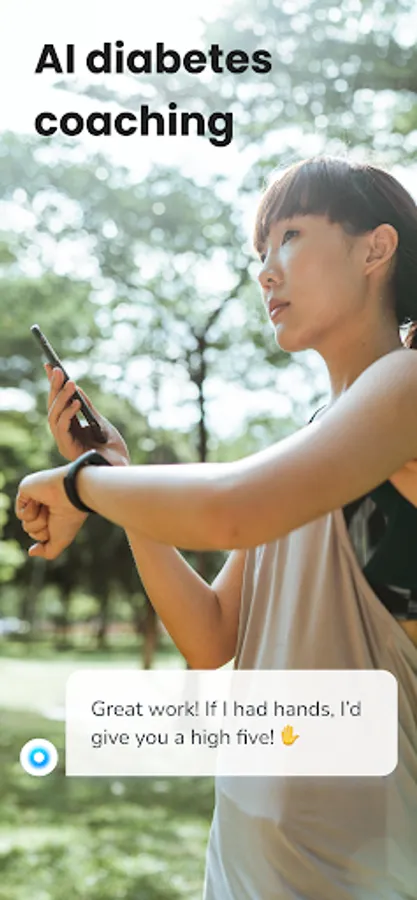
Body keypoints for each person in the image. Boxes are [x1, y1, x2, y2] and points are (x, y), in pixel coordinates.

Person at [15, 156, 417, 898]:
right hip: (241, 869)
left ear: (376, 248)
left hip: (354, 879)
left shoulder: (408, 383)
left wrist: (83, 485)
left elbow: (229, 509)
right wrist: (117, 474)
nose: (266, 271)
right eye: (260, 251)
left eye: (290, 236)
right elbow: (211, 635)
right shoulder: (314, 441)